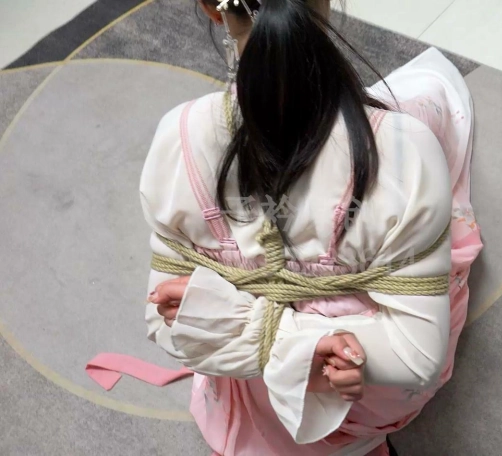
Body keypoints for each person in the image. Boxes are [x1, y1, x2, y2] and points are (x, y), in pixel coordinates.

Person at [142, 0, 482, 454]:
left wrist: (239, 320)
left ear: (211, 7)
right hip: (353, 384)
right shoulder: (405, 150)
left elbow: (163, 320)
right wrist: (303, 343)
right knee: (432, 103)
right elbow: (416, 357)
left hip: (245, 376)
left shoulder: (179, 136)